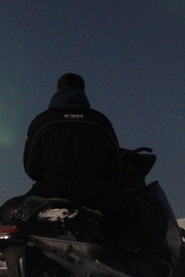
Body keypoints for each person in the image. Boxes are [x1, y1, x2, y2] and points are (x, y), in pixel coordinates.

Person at [22, 73, 122, 211]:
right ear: (83, 90)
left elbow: (31, 169)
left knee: (13, 213)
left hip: (50, 193)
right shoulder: (101, 121)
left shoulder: (41, 121)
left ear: (58, 89)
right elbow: (115, 167)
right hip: (96, 198)